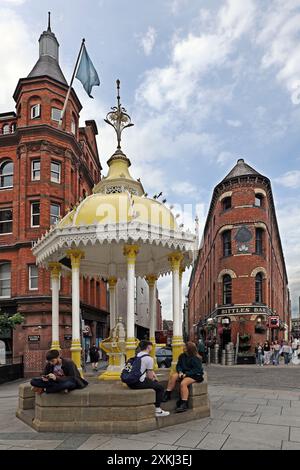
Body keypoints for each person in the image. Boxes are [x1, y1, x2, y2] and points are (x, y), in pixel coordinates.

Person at [126, 340, 170, 417]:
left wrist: (153, 376)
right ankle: (157, 410)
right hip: (137, 383)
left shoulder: (137, 356)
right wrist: (155, 381)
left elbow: (147, 370)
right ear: (148, 347)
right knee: (160, 388)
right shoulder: (149, 359)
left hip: (130, 382)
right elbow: (150, 377)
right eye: (151, 347)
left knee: (154, 384)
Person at [162, 341, 204, 413]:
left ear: (189, 348)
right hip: (184, 373)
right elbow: (179, 365)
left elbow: (197, 370)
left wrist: (186, 374)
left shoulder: (196, 358)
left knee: (183, 383)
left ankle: (184, 403)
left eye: (185, 346)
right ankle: (167, 394)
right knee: (173, 376)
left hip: (195, 375)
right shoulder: (182, 356)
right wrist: (180, 371)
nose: (183, 347)